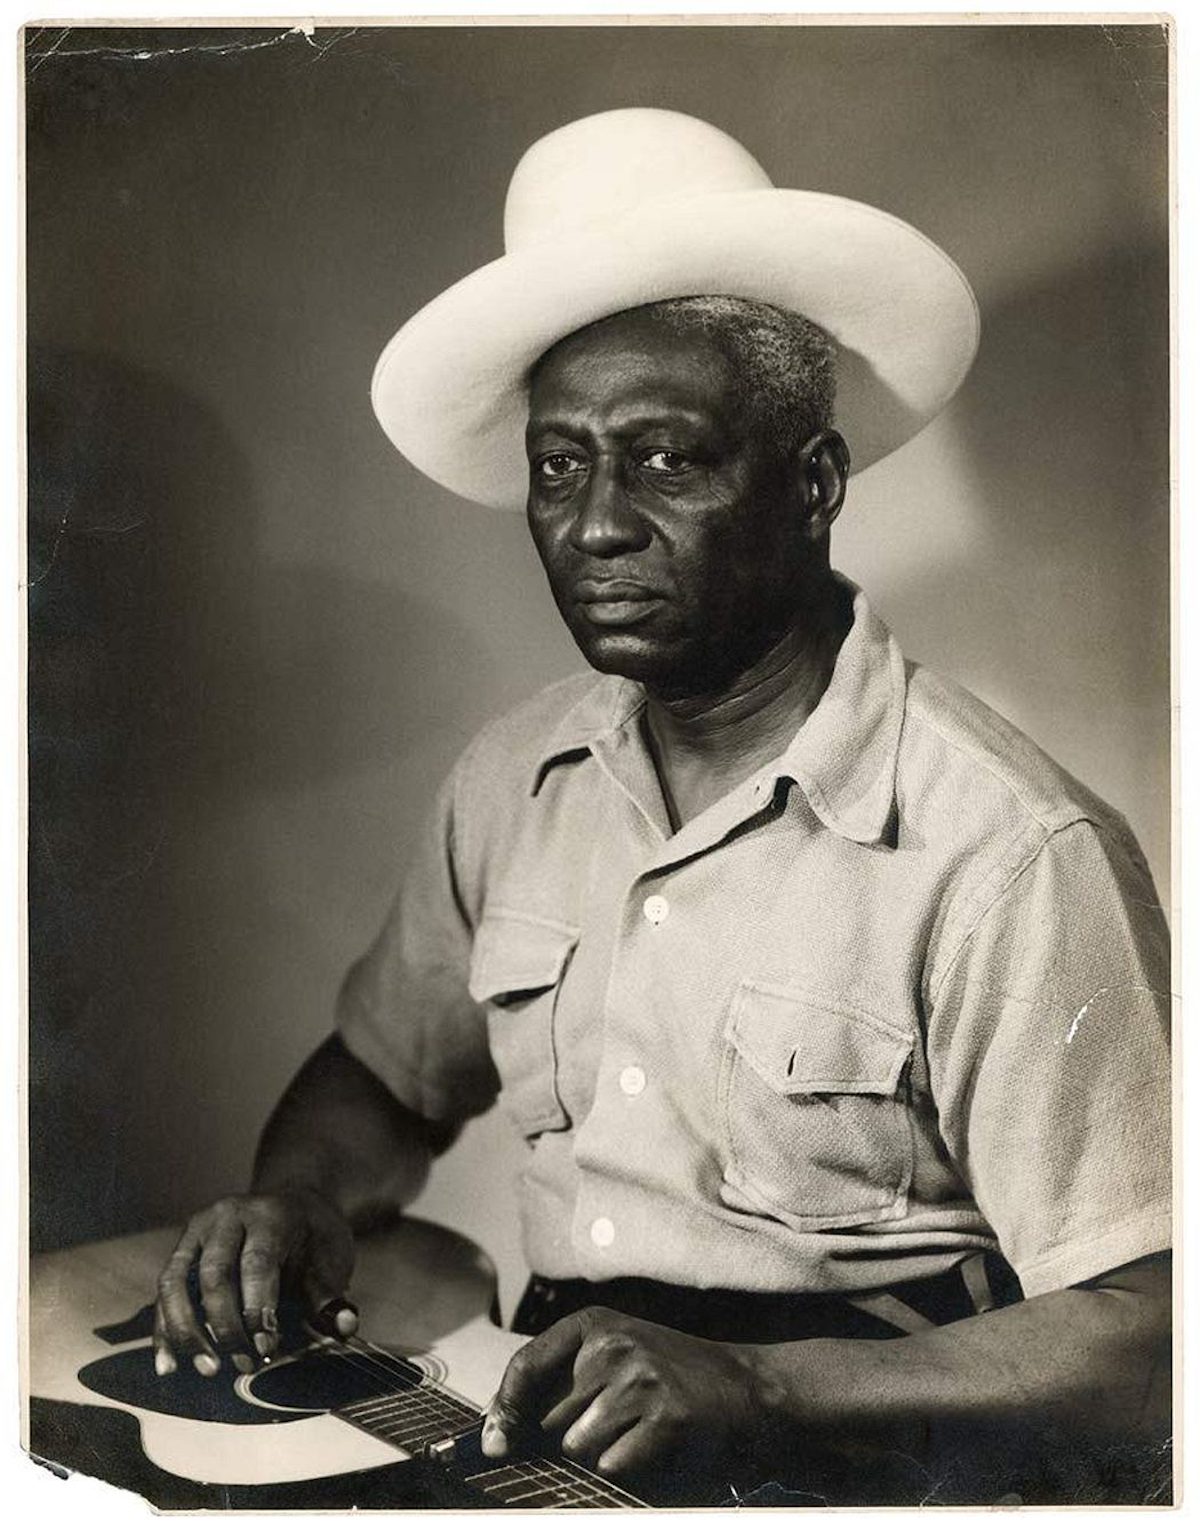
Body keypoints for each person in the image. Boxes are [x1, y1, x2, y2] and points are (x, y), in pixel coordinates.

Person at [151, 110, 1171, 1505]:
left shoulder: (1006, 846)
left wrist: (762, 1384)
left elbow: (1156, 1342)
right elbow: (380, 1082)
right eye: (560, 464)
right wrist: (298, 1201)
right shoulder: (512, 781)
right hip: (553, 1451)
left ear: (814, 486)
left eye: (666, 458)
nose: (596, 523)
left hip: (876, 1473)